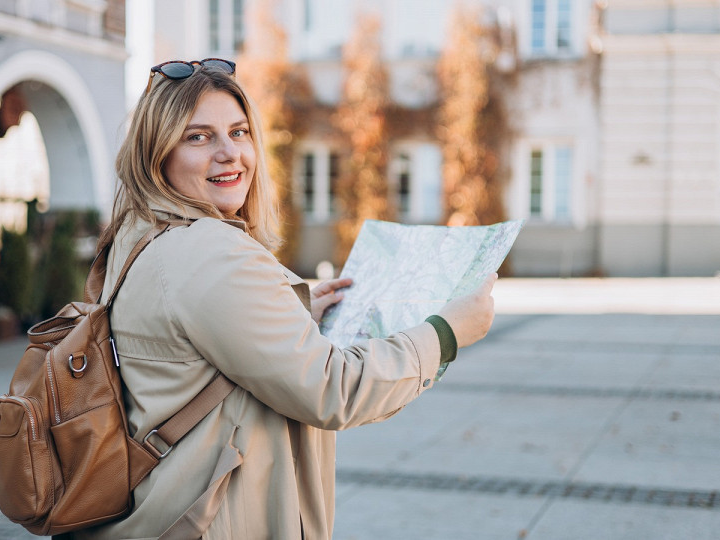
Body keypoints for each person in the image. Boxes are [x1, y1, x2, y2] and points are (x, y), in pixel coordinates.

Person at [75, 58, 496, 540]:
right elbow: (333, 390)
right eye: (198, 137)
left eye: (238, 132)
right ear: (157, 154)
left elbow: (187, 344)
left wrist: (291, 313)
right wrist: (445, 333)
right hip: (213, 523)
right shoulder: (210, 252)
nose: (229, 153)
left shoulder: (139, 234)